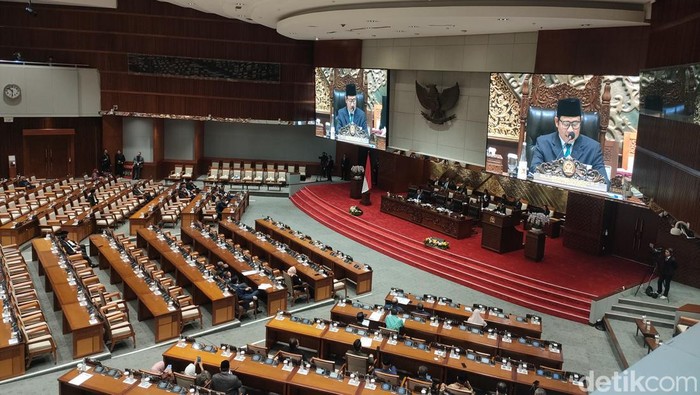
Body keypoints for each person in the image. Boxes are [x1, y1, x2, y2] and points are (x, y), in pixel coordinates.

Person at [529, 98, 609, 184]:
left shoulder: (593, 148)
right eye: (566, 124)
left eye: (575, 124)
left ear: (580, 122)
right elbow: (534, 171)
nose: (571, 129)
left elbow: (605, 182)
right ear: (557, 122)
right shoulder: (543, 143)